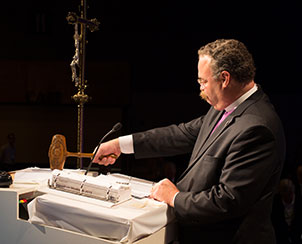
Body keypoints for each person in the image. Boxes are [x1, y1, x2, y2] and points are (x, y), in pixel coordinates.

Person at [92, 39, 286, 244]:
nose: (201, 90)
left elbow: (227, 200)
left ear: (225, 78)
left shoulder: (257, 128)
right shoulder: (226, 107)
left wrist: (174, 197)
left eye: (203, 81)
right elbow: (181, 134)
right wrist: (120, 145)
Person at [271, 178, 302, 244]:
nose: (288, 197)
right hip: (281, 237)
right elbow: (275, 221)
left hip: (297, 235)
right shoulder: (276, 202)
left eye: (290, 193)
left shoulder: (299, 201)